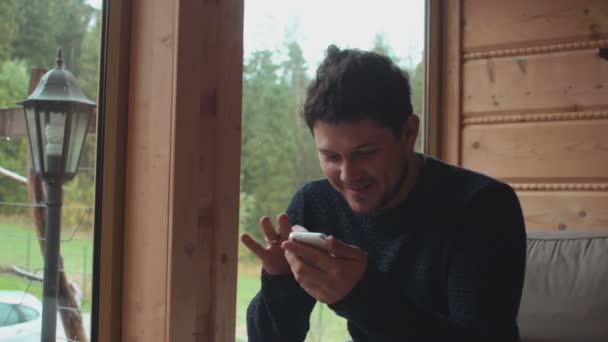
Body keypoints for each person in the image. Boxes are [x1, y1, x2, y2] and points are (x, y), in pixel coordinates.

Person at [240, 45, 527, 342]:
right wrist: (280, 281)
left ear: (408, 134)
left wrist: (360, 294)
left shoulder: (483, 208)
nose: (348, 175)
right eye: (331, 157)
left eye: (365, 153)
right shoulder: (316, 204)